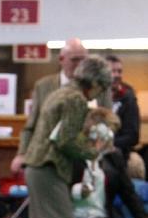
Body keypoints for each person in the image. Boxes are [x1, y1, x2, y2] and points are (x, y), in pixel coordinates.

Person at [22, 55, 112, 218]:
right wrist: (94, 151)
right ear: (93, 82)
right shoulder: (75, 99)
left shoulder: (60, 93)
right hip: (48, 168)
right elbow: (66, 141)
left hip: (37, 166)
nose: (100, 92)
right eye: (101, 86)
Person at [11, 38, 111, 175]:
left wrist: (97, 149)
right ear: (61, 59)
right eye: (75, 60)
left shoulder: (99, 88)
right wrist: (21, 153)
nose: (80, 64)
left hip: (87, 159)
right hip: (50, 159)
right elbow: (31, 125)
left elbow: (108, 122)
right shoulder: (43, 86)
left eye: (84, 60)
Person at [105, 54, 140, 161]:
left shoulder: (128, 98)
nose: (116, 75)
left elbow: (132, 137)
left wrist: (106, 143)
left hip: (118, 154)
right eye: (112, 71)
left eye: (119, 71)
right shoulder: (94, 95)